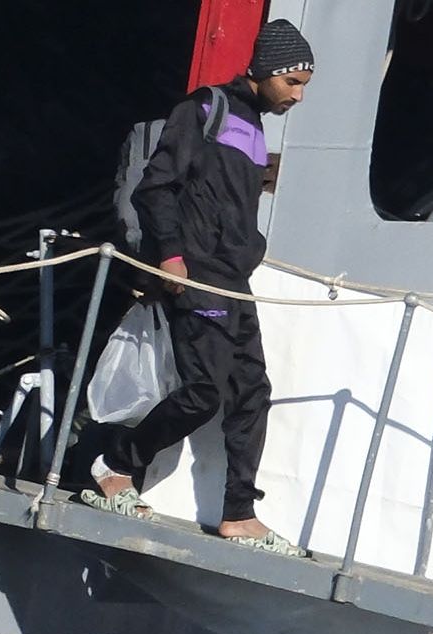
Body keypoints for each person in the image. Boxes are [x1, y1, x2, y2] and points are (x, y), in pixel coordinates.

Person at [83, 19, 315, 556]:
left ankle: (239, 513)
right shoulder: (205, 109)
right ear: (265, 71)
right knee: (204, 392)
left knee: (252, 392)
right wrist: (170, 257)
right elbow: (155, 187)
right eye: (293, 82)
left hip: (234, 281)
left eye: (304, 85)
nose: (298, 96)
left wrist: (249, 248)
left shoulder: (255, 128)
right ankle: (115, 464)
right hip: (197, 275)